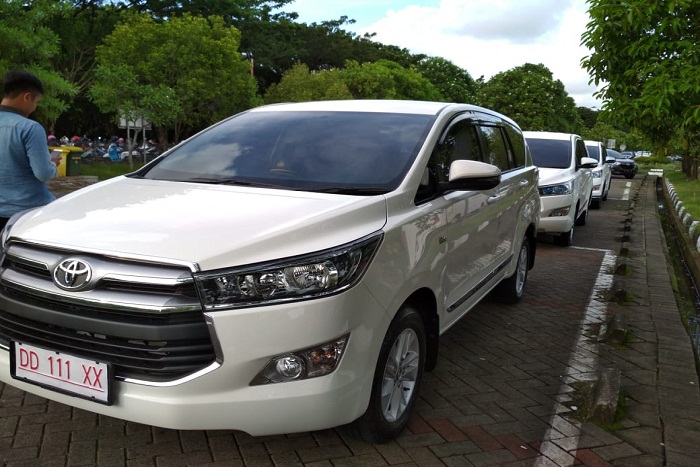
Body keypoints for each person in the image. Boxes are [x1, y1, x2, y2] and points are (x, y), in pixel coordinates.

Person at [0, 71, 61, 230]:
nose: (35, 107)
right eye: (36, 102)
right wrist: (52, 164)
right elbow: (43, 173)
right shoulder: (30, 128)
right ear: (27, 97)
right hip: (26, 212)